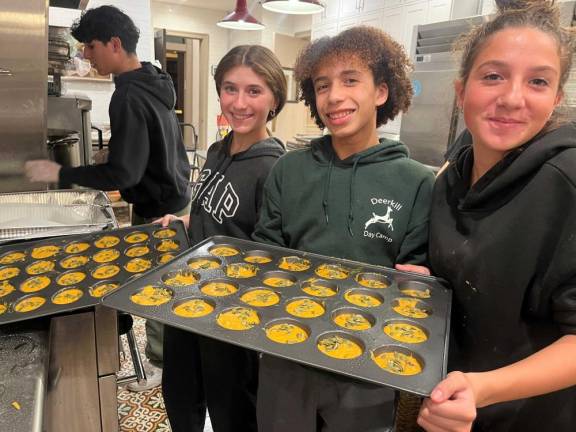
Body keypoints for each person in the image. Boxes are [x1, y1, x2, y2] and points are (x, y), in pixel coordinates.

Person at [252, 26, 435, 432]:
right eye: (322, 85)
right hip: (287, 352)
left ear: (382, 92)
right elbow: (264, 251)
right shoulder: (289, 170)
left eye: (351, 80)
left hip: (366, 368)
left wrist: (419, 280)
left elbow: (414, 271)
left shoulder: (416, 182)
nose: (334, 96)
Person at [410, 1, 576, 431]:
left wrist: (482, 389)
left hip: (526, 416)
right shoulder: (452, 177)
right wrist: (431, 280)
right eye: (493, 76)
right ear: (462, 90)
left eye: (537, 81)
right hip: (452, 405)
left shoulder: (566, 182)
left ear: (556, 98)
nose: (512, 98)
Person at [24, 5, 192, 391]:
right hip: (177, 194)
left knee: (157, 289)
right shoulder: (154, 80)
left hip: (159, 209)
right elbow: (145, 148)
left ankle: (161, 368)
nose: (86, 55)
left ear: (114, 44)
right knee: (171, 284)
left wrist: (62, 173)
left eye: (90, 46)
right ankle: (169, 363)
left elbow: (125, 175)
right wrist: (115, 153)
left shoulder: (128, 96)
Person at [157, 45, 287, 432]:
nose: (240, 102)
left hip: (229, 313)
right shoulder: (217, 150)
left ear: (274, 98)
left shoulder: (275, 168)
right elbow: (216, 212)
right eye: (230, 89)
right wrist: (185, 217)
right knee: (180, 392)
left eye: (254, 90)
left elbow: (269, 251)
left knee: (231, 406)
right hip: (185, 296)